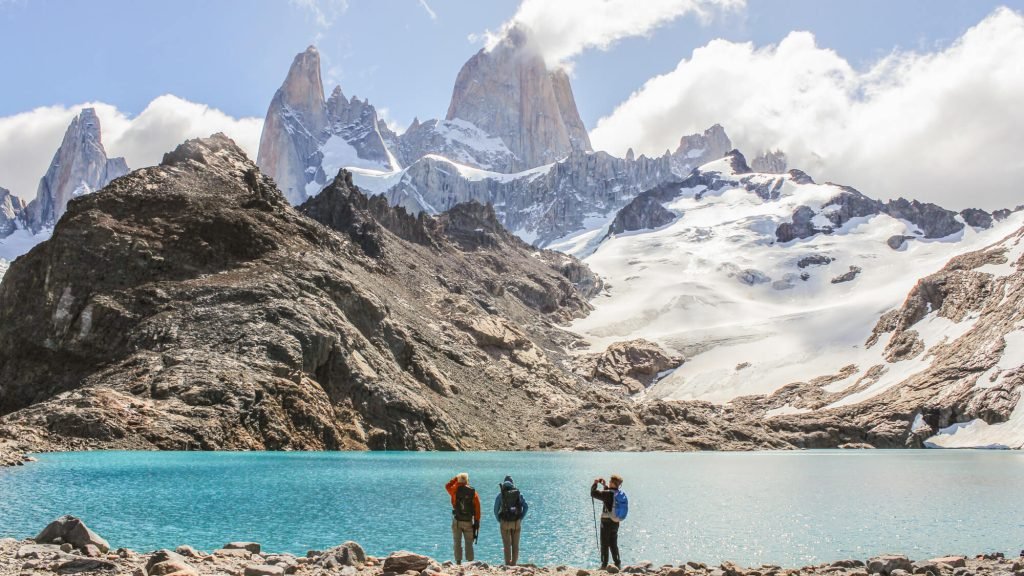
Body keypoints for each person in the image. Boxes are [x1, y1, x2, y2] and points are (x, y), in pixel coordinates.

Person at [446, 473, 481, 565]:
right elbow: (477, 508)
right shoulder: (473, 492)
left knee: (457, 542)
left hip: (457, 520)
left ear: (458, 480)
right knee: (469, 542)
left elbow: (447, 486)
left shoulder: (454, 490)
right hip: (468, 521)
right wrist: (477, 521)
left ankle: (458, 562)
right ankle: (470, 562)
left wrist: (455, 479)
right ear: (467, 481)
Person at [493, 475, 529, 566]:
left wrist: (499, 520)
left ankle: (507, 565)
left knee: (507, 545)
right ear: (512, 484)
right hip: (516, 522)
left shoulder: (501, 495)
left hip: (504, 522)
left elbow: (495, 510)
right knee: (515, 545)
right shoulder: (518, 494)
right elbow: (526, 506)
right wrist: (520, 518)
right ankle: (514, 564)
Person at [591, 475, 624, 570]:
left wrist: (595, 484)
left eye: (610, 481)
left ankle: (604, 565)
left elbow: (593, 493)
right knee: (613, 543)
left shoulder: (608, 494)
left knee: (604, 543)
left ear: (613, 483)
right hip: (615, 522)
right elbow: (609, 497)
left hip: (606, 522)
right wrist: (605, 486)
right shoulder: (618, 493)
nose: (609, 482)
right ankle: (617, 563)